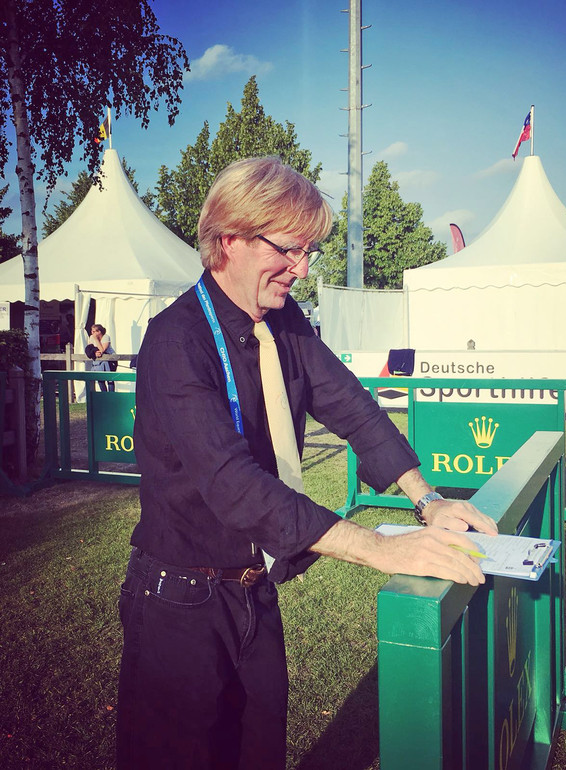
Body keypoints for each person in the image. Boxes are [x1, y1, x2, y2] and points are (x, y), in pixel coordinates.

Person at [116, 156, 498, 770]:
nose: (302, 269)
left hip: (255, 592)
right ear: (230, 239)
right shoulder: (175, 342)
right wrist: (381, 549)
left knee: (258, 752)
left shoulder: (285, 321)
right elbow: (235, 487)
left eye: (310, 253)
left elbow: (351, 404)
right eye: (290, 250)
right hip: (179, 608)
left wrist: (426, 499)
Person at [87, 323, 116, 392]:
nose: (92, 333)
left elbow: (102, 349)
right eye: (92, 331)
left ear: (99, 332)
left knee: (110, 379)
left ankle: (111, 396)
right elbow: (89, 348)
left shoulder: (106, 337)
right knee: (100, 379)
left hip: (109, 360)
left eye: (94, 331)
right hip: (98, 361)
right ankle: (104, 395)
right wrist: (94, 352)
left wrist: (96, 340)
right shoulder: (91, 337)